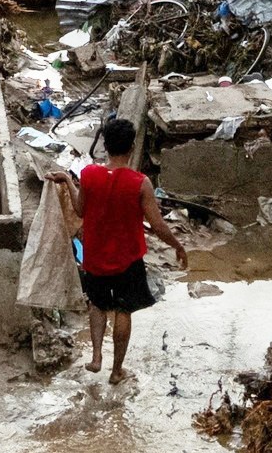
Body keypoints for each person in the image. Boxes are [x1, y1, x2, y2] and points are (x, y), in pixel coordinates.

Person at [47, 116, 187, 383]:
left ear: (105, 146)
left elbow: (79, 209)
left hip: (95, 256)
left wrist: (66, 178)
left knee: (97, 304)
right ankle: (116, 371)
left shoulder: (89, 175)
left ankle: (96, 357)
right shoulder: (140, 183)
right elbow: (157, 225)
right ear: (131, 147)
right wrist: (178, 246)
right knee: (123, 310)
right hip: (127, 258)